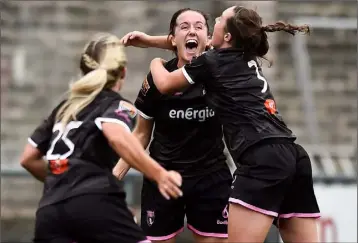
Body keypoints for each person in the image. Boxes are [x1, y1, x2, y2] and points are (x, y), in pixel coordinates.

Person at [146, 6, 321, 243]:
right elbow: (197, 44)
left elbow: (165, 83)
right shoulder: (245, 54)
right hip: (294, 154)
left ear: (227, 36)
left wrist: (154, 61)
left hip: (262, 157)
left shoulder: (212, 61)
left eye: (218, 20)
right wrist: (148, 40)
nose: (213, 23)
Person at [19, 32, 183, 243]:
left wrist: (62, 180)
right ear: (123, 72)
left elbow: (28, 158)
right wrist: (159, 174)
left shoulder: (64, 108)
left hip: (49, 211)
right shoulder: (118, 105)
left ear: (84, 71)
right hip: (95, 202)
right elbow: (116, 137)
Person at [115, 8, 232, 243]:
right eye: (184, 27)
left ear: (208, 39)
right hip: (163, 177)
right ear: (172, 38)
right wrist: (114, 175)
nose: (192, 31)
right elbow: (140, 134)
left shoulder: (220, 72)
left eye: (199, 27)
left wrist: (148, 42)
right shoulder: (157, 77)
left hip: (211, 179)